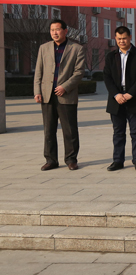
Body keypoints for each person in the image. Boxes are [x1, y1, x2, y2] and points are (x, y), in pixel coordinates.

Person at [33, 19, 85, 171]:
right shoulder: (44, 48)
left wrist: (65, 87)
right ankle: (51, 160)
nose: (54, 33)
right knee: (49, 130)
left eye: (57, 29)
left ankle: (71, 159)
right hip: (47, 95)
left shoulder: (76, 49)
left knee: (70, 130)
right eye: (52, 30)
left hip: (66, 95)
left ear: (65, 31)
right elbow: (38, 71)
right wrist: (37, 91)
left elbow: (79, 72)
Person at [103, 26, 136, 171]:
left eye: (124, 38)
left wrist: (130, 94)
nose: (121, 41)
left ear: (130, 38)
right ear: (115, 39)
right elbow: (107, 77)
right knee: (118, 132)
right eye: (119, 39)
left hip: (134, 98)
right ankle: (118, 161)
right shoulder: (111, 56)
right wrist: (116, 94)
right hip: (116, 99)